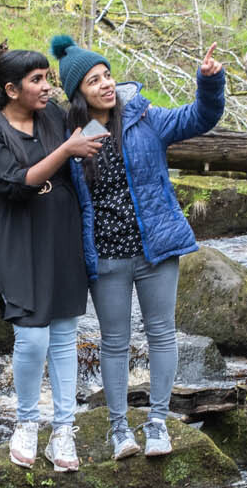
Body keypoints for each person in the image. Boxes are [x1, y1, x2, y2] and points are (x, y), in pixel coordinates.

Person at [54, 36, 226, 460]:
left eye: (107, 75)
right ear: (79, 93)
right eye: (94, 81)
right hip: (107, 256)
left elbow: (200, 117)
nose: (106, 85)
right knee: (114, 342)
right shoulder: (68, 136)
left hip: (156, 250)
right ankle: (118, 431)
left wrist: (210, 83)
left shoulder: (144, 116)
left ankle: (158, 425)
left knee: (162, 335)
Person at [0, 49, 102, 473]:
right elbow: (16, 182)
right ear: (11, 90)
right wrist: (67, 150)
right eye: (37, 80)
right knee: (31, 338)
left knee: (65, 337)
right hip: (18, 236)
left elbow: (94, 125)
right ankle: (26, 422)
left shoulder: (55, 115)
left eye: (48, 77)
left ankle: (63, 428)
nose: (47, 87)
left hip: (61, 233)